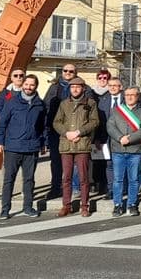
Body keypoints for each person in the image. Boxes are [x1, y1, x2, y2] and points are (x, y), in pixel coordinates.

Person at [0, 74, 46, 219]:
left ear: (36, 86)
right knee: (9, 180)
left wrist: (43, 144)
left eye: (32, 85)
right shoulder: (12, 102)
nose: (29, 87)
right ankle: (5, 209)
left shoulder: (40, 104)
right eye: (27, 84)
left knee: (29, 180)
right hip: (13, 147)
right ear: (22, 85)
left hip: (31, 148)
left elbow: (43, 127)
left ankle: (28, 207)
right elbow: (2, 123)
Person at [53, 77, 99, 217]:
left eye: (78, 87)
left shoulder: (90, 103)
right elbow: (57, 122)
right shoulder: (64, 104)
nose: (75, 89)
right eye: (73, 87)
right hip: (66, 144)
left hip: (82, 144)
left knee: (83, 178)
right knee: (66, 177)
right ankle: (66, 205)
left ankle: (84, 206)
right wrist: (66, 133)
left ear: (83, 88)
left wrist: (80, 132)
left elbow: (94, 121)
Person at [107, 86, 141, 217]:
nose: (130, 97)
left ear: (138, 96)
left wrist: (130, 139)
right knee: (118, 179)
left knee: (134, 179)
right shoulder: (116, 110)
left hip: (135, 150)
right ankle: (118, 205)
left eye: (133, 95)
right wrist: (120, 138)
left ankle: (132, 204)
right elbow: (110, 126)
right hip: (118, 149)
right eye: (127, 95)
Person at [43, 63, 78, 198]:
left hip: (73, 130)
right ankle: (55, 187)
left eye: (71, 71)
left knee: (74, 161)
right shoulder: (54, 87)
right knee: (56, 161)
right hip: (55, 130)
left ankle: (74, 188)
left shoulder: (81, 87)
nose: (68, 72)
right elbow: (46, 107)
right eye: (65, 70)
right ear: (62, 72)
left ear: (76, 72)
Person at [95, 77, 124, 198]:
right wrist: (97, 138)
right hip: (105, 138)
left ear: (120, 87)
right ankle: (111, 189)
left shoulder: (126, 99)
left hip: (122, 138)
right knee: (109, 164)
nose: (112, 87)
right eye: (110, 85)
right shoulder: (103, 100)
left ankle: (123, 189)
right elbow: (98, 121)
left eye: (115, 85)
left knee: (122, 164)